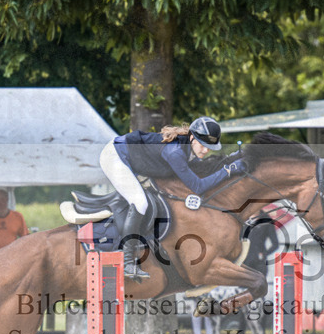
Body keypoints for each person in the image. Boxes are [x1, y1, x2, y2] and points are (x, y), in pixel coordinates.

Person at [100, 116, 243, 280]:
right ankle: (126, 262)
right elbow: (198, 186)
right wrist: (228, 170)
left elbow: (201, 169)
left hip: (133, 157)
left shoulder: (187, 148)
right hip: (115, 157)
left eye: (209, 147)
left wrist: (230, 160)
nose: (205, 150)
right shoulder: (175, 152)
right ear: (192, 138)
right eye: (203, 145)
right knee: (140, 203)